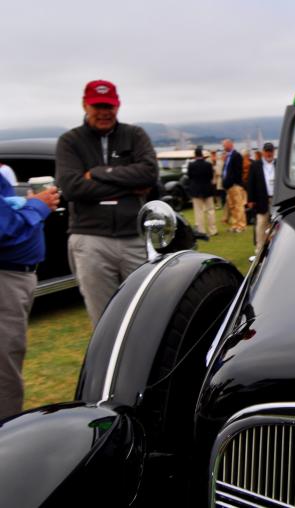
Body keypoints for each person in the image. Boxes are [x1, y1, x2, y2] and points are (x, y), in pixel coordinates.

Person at [55, 79, 159, 326]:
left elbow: (148, 175)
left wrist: (98, 172)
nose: (104, 112)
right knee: (104, 321)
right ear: (85, 105)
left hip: (134, 236)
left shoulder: (135, 135)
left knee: (144, 312)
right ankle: (110, 365)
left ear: (118, 105)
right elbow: (71, 188)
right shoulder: (70, 141)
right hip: (91, 239)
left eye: (109, 106)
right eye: (97, 106)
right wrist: (128, 185)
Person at [0, 176, 60, 419]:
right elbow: (5, 229)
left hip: (12, 278)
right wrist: (37, 205)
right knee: (4, 368)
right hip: (5, 281)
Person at [248, 142, 276, 252]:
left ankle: (274, 247)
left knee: (276, 224)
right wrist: (250, 199)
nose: (269, 153)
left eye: (271, 151)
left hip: (276, 199)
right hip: (261, 199)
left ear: (273, 152)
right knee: (260, 225)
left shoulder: (279, 163)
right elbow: (250, 183)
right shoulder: (255, 165)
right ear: (263, 152)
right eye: (267, 151)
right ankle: (259, 249)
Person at [186, 146, 217, 236]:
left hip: (196, 190)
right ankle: (213, 230)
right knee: (210, 210)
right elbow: (211, 176)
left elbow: (190, 177)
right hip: (207, 189)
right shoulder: (208, 165)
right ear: (202, 155)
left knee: (199, 211)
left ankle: (201, 231)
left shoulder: (191, 165)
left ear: (195, 155)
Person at [221, 139, 246, 232]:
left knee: (238, 205)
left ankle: (241, 225)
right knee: (232, 206)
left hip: (235, 185)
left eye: (224, 145)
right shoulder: (227, 157)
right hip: (228, 186)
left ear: (230, 145)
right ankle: (235, 224)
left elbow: (237, 171)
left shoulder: (237, 156)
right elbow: (226, 171)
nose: (223, 147)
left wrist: (232, 182)